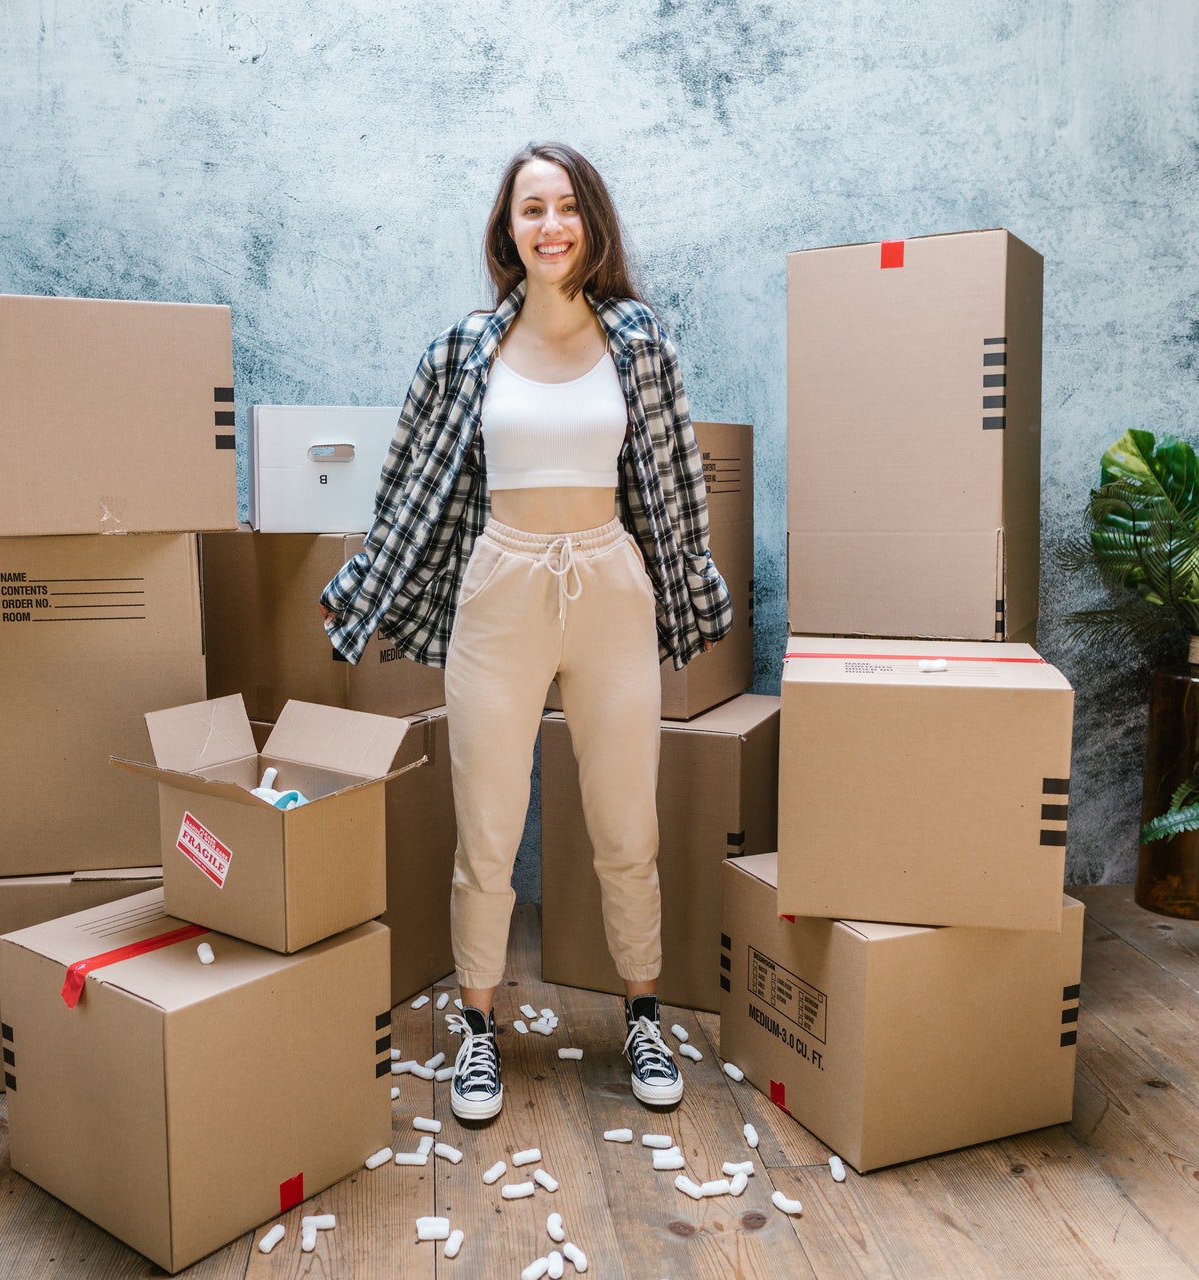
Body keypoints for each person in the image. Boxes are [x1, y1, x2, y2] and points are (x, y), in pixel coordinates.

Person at [321, 142, 732, 1120]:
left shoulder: (641, 343)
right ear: (508, 231)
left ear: (592, 220)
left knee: (627, 825)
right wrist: (365, 577)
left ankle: (640, 1015)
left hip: (611, 584)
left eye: (564, 207)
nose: (549, 226)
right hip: (499, 585)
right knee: (489, 828)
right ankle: (476, 1031)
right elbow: (408, 486)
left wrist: (696, 586)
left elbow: (676, 490)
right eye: (529, 211)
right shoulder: (461, 349)